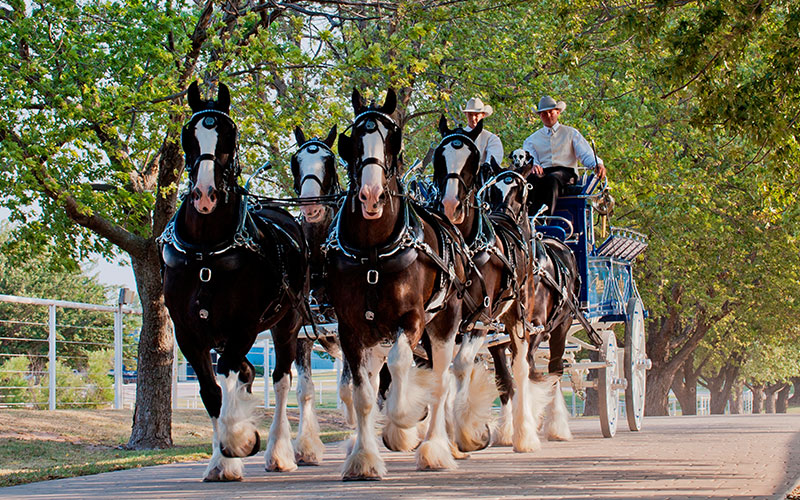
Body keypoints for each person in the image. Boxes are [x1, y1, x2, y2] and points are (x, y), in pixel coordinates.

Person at [523, 95, 606, 216]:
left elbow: (585, 154)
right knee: (529, 181)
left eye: (551, 112)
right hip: (543, 172)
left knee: (552, 180)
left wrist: (597, 164)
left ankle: (545, 219)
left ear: (557, 112)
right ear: (540, 116)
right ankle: (527, 219)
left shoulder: (570, 133)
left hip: (566, 173)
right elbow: (530, 158)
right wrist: (534, 165)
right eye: (544, 114)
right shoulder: (531, 139)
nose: (548, 116)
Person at [462, 97, 504, 167]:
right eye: (470, 114)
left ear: (483, 115)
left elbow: (492, 163)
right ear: (465, 114)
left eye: (476, 114)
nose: (473, 118)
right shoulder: (457, 136)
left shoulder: (491, 139)